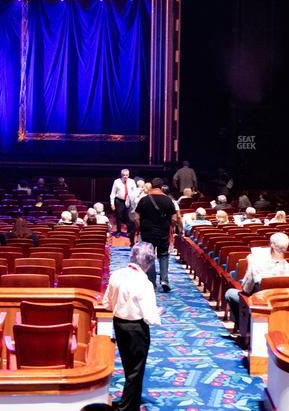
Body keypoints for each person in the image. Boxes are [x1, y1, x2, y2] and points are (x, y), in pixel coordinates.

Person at [100, 242, 161, 411]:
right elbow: (150, 317)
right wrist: (159, 312)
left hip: (119, 324)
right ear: (148, 263)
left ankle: (129, 402)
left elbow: (107, 303)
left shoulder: (117, 274)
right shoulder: (145, 282)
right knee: (136, 370)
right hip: (136, 329)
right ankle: (127, 407)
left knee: (128, 366)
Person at [224, 232, 289, 342]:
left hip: (260, 307)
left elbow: (245, 290)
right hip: (282, 308)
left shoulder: (257, 267)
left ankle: (245, 332)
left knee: (230, 293)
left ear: (271, 246)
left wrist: (250, 265)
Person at [132, 178, 179, 293]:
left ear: (152, 186)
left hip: (147, 232)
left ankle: (151, 283)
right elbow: (174, 218)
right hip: (163, 231)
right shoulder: (168, 201)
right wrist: (170, 227)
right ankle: (164, 280)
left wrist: (139, 229)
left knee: (150, 255)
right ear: (162, 187)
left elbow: (136, 217)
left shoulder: (144, 200)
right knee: (163, 255)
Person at [109, 169, 136, 237]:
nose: (125, 176)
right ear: (121, 175)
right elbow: (113, 193)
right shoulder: (117, 182)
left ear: (129, 175)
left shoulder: (132, 181)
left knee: (128, 217)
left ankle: (129, 231)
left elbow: (135, 192)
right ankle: (118, 231)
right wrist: (112, 203)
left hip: (129, 200)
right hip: (119, 200)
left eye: (126, 175)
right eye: (124, 175)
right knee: (119, 216)